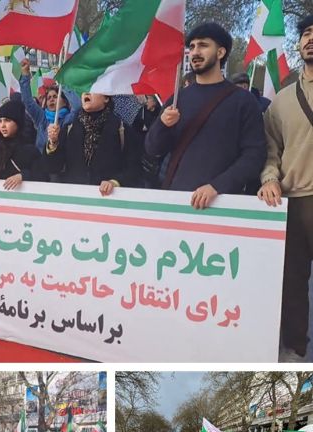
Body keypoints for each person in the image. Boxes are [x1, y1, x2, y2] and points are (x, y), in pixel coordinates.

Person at [145, 22, 266, 209]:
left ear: (220, 52)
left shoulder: (243, 101)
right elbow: (152, 148)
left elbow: (254, 156)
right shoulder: (178, 98)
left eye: (203, 45)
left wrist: (217, 186)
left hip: (222, 205)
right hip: (175, 202)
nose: (195, 52)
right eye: (192, 47)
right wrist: (162, 124)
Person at [259, 15, 313, 362]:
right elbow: (271, 151)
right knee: (293, 283)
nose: (310, 38)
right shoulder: (280, 100)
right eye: (306, 33)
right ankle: (296, 349)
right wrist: (269, 179)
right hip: (295, 202)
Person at [44, 93, 142, 194]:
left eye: (92, 89)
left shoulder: (122, 130)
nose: (86, 93)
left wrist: (115, 182)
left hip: (107, 201)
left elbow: (134, 169)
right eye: (84, 90)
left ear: (106, 98)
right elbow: (53, 167)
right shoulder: (69, 129)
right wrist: (53, 143)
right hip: (74, 200)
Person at [20, 58, 79, 153]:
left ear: (65, 102)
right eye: (49, 98)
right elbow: (27, 101)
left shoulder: (68, 119)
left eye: (55, 96)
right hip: (41, 163)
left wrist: (62, 81)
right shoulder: (41, 118)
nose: (51, 99)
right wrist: (25, 75)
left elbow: (77, 107)